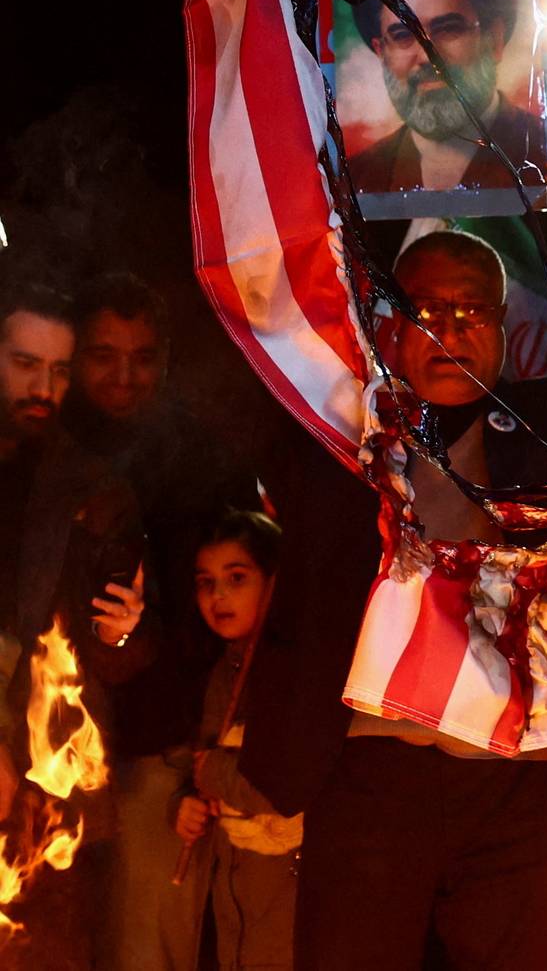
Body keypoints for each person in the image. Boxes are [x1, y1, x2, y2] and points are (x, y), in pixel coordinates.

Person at [241, 176, 547, 970]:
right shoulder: (341, 431)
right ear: (391, 325)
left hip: (530, 788)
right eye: (423, 311)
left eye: (470, 310)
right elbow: (270, 325)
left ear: (507, 327)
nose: (446, 330)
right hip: (376, 774)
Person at [63, 273, 256, 971]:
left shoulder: (201, 460)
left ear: (167, 356)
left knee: (144, 950)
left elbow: (232, 610)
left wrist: (145, 645)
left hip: (157, 751)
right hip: (49, 754)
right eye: (104, 354)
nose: (123, 375)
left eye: (142, 357)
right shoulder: (47, 451)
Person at [0, 275, 148, 968]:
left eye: (59, 370)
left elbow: (114, 655)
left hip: (53, 790)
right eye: (25, 364)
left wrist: (121, 633)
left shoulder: (96, 486)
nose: (43, 387)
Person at [171, 510, 300, 971]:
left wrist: (214, 772)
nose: (218, 596)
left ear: (273, 581)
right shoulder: (221, 673)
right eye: (206, 582)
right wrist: (190, 802)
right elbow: (206, 768)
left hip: (288, 887)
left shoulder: (294, 673)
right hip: (235, 886)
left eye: (237, 577)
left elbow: (284, 782)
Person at [348, 0, 546, 193]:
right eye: (403, 36)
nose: (427, 57)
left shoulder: (545, 154)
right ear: (382, 53)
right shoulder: (357, 178)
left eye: (448, 29)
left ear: (494, 40)